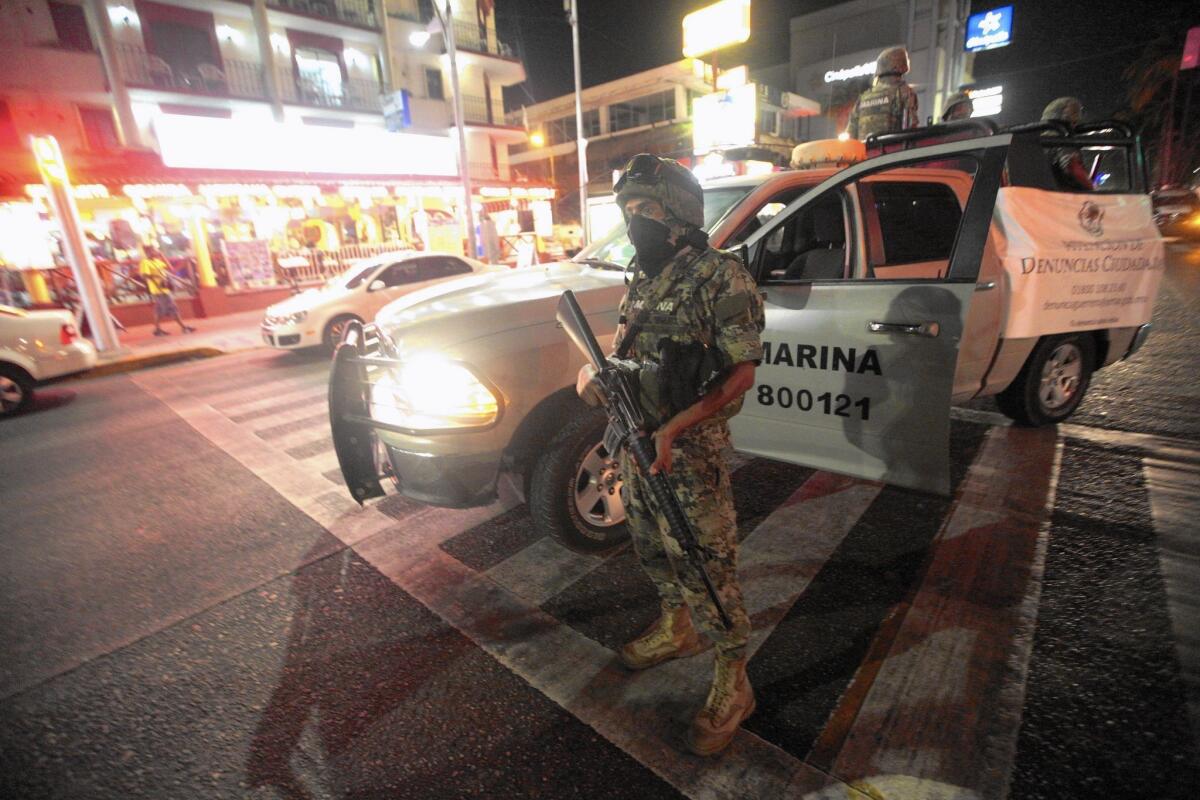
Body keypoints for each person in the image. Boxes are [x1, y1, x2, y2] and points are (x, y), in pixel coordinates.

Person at [575, 154, 764, 756]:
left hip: (686, 454)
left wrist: (675, 429)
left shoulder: (722, 277)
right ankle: (675, 628)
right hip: (636, 443)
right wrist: (595, 375)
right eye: (629, 209)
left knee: (707, 568)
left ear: (680, 214)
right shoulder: (643, 275)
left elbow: (740, 374)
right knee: (654, 549)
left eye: (647, 209)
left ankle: (733, 680)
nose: (636, 220)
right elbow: (626, 353)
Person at [845, 46, 919, 141]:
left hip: (864, 153)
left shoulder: (864, 97)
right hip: (892, 152)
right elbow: (911, 128)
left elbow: (850, 134)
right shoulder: (905, 92)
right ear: (899, 66)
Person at [139, 245, 194, 336]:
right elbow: (144, 276)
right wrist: (158, 276)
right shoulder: (145, 262)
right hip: (158, 289)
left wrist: (162, 256)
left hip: (164, 287)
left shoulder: (156, 261)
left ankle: (157, 329)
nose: (156, 252)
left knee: (159, 310)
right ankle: (183, 327)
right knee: (172, 308)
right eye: (154, 250)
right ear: (148, 252)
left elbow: (170, 268)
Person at [1041, 96, 1093, 191]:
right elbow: (1074, 170)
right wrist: (1092, 190)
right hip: (1063, 197)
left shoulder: (1038, 139)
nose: (1078, 119)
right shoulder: (1062, 140)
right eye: (1074, 113)